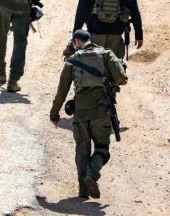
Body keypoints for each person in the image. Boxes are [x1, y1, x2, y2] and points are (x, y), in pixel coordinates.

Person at [50, 30, 127, 199]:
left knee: (82, 150)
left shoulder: (72, 60)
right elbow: (122, 78)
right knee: (102, 149)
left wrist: (54, 113)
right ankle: (91, 175)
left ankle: (83, 189)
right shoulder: (106, 54)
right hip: (101, 112)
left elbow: (62, 90)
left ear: (77, 42)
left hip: (80, 113)